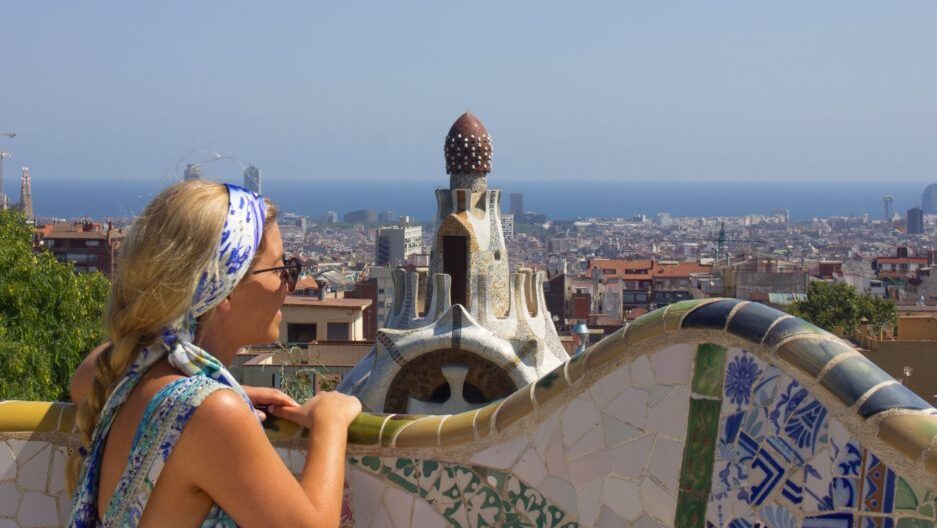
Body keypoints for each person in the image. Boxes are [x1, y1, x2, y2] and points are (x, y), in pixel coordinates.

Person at [66, 180, 361, 527]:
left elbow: (87, 375)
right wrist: (331, 419)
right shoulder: (209, 412)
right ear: (226, 289)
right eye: (282, 268)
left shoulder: (139, 373)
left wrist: (221, 389)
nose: (289, 283)